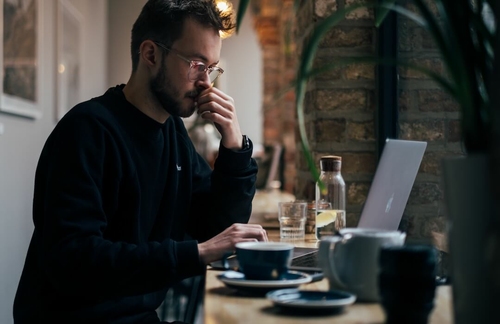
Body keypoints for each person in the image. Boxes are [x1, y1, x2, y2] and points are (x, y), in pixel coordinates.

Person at [13, 0, 268, 323]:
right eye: (196, 64)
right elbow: (75, 261)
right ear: (151, 54)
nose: (207, 82)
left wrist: (234, 144)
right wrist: (196, 253)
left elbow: (216, 226)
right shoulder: (87, 131)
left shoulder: (173, 133)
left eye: (212, 68)